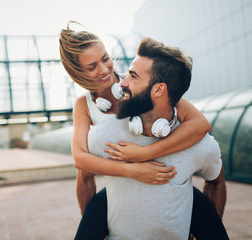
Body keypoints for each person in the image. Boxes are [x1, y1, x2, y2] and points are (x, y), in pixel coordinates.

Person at [59, 22, 228, 240]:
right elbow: (81, 160)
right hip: (120, 178)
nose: (104, 70)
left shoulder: (138, 85)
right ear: (78, 74)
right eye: (92, 67)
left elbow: (200, 124)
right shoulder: (84, 106)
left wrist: (145, 154)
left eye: (105, 58)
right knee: (86, 181)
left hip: (160, 171)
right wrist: (135, 170)